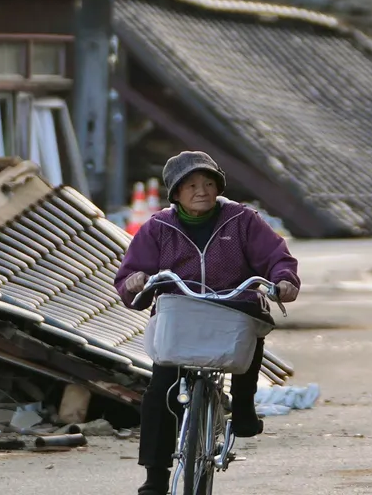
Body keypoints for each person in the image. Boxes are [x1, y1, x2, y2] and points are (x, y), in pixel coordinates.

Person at [114, 151, 301, 495]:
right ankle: (155, 477)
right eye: (191, 186)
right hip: (181, 313)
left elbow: (276, 258)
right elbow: (129, 274)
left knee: (250, 334)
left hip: (233, 306)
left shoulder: (243, 220)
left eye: (208, 183)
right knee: (160, 392)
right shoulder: (158, 228)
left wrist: (284, 279)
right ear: (175, 194)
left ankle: (243, 406)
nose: (202, 191)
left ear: (218, 187)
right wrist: (136, 281)